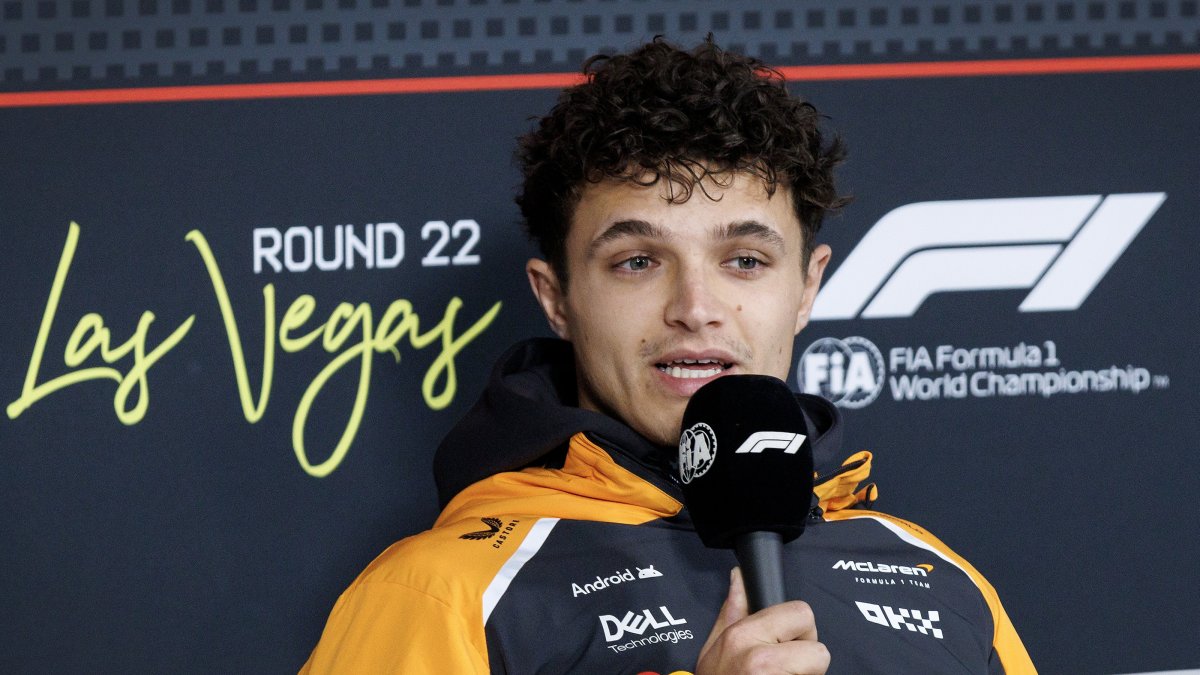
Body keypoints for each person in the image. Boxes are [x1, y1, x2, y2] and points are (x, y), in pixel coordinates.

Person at [301, 38, 1035, 674]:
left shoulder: (945, 582)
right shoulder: (441, 594)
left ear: (807, 288)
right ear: (556, 296)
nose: (695, 305)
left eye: (744, 260)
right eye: (637, 262)